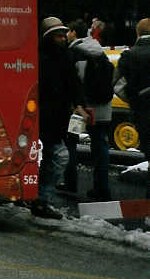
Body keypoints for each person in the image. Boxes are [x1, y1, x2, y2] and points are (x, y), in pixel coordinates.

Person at [35, 16, 88, 219]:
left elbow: (73, 84)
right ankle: (41, 198)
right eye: (58, 35)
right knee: (58, 156)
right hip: (44, 115)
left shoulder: (65, 56)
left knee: (54, 156)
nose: (63, 38)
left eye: (63, 34)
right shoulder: (44, 57)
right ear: (48, 37)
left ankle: (40, 197)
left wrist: (80, 105)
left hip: (56, 116)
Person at [64, 19, 112, 201]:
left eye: (68, 31)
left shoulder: (74, 52)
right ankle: (102, 189)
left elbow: (74, 82)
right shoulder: (99, 50)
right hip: (102, 109)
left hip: (80, 110)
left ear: (74, 32)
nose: (67, 34)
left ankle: (70, 183)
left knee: (71, 143)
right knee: (100, 147)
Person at [117, 17, 150, 199]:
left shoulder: (129, 55)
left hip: (143, 112)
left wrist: (133, 100)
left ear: (138, 33)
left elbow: (117, 84)